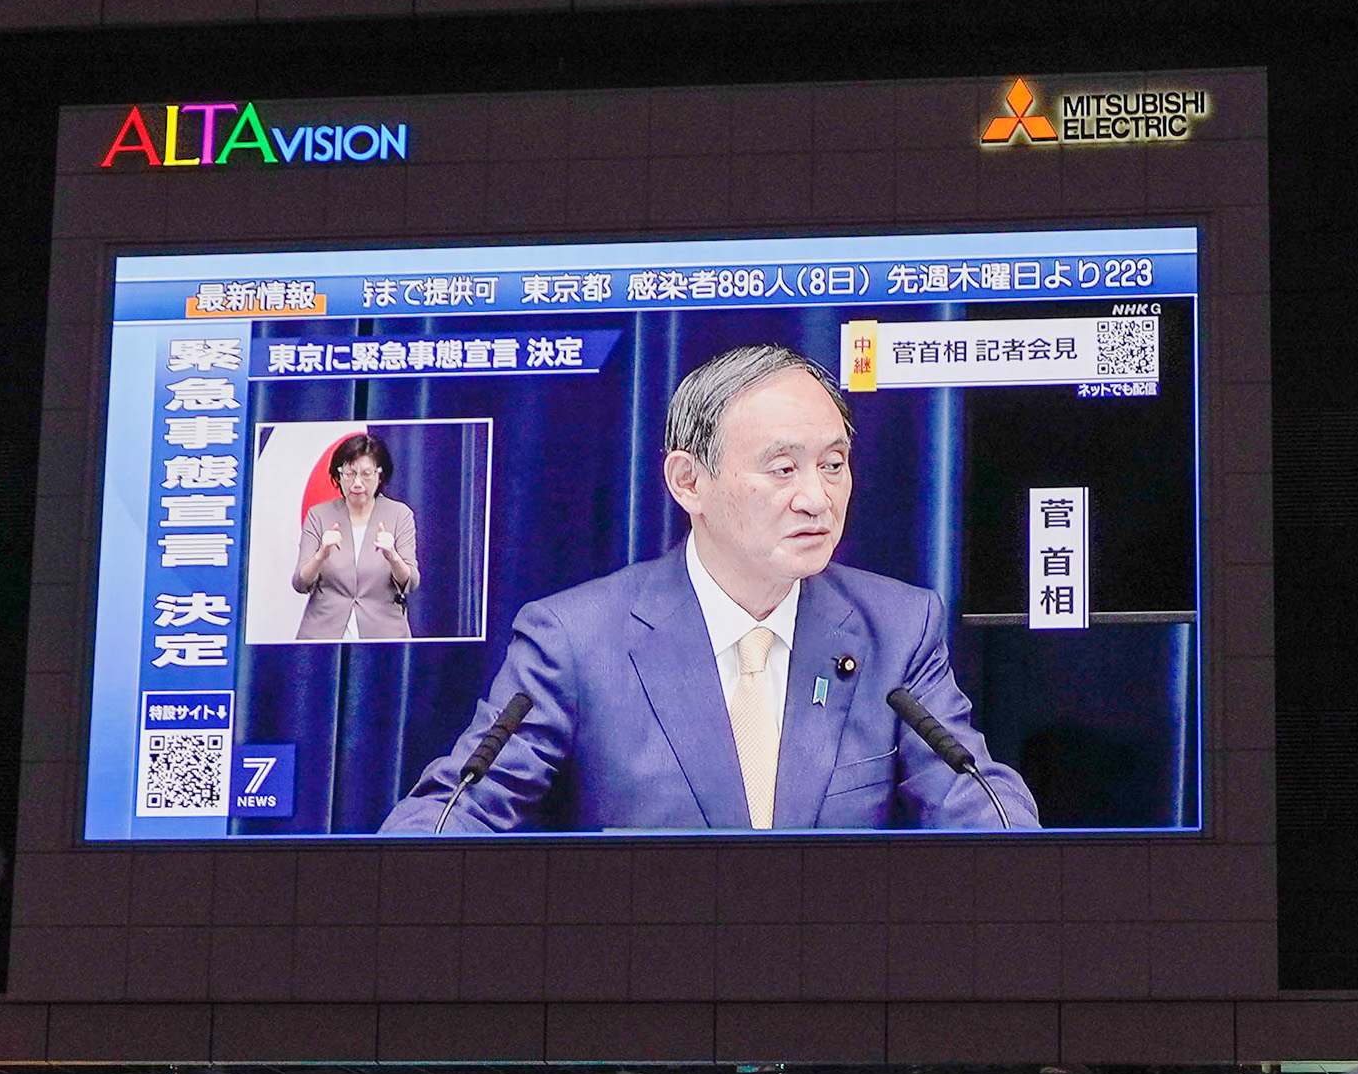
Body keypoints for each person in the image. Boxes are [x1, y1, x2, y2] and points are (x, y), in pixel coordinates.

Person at [379, 344, 1038, 834]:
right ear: (688, 482)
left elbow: (972, 796)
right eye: (783, 469)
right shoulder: (576, 640)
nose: (818, 498)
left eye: (834, 464)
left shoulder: (896, 627)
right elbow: (463, 804)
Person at [287, 428, 419, 642]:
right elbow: (300, 583)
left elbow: (410, 582)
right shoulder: (319, 515)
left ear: (380, 475)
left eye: (366, 474)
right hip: (323, 633)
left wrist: (393, 556)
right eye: (349, 473)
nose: (357, 483)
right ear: (338, 476)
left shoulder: (399, 514)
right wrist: (321, 555)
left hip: (383, 633)